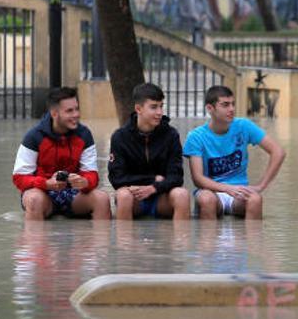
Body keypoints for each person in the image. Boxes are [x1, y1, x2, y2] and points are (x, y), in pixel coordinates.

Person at [183, 85, 285, 220]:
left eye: (232, 104)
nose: (231, 109)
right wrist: (226, 188)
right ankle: (206, 241)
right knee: (207, 200)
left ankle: (253, 241)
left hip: (239, 192)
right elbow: (198, 179)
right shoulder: (196, 136)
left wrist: (261, 186)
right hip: (211, 192)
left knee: (255, 199)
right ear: (210, 108)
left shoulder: (244, 126)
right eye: (225, 105)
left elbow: (278, 152)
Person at [12, 87, 111, 221]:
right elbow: (19, 178)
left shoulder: (84, 135)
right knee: (34, 200)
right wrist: (46, 183)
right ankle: (33, 241)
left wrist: (84, 181)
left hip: (74, 193)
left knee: (102, 199)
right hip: (41, 192)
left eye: (77, 109)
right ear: (54, 114)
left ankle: (98, 242)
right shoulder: (34, 136)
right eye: (69, 111)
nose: (76, 114)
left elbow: (92, 174)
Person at [108, 83, 190, 220]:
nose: (159, 112)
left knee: (182, 194)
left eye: (161, 106)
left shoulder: (171, 135)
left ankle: (180, 241)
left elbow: (177, 177)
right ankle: (124, 241)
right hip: (135, 199)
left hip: (162, 197)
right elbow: (116, 178)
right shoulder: (120, 137)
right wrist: (151, 180)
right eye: (153, 107)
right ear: (138, 109)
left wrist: (154, 187)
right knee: (123, 195)